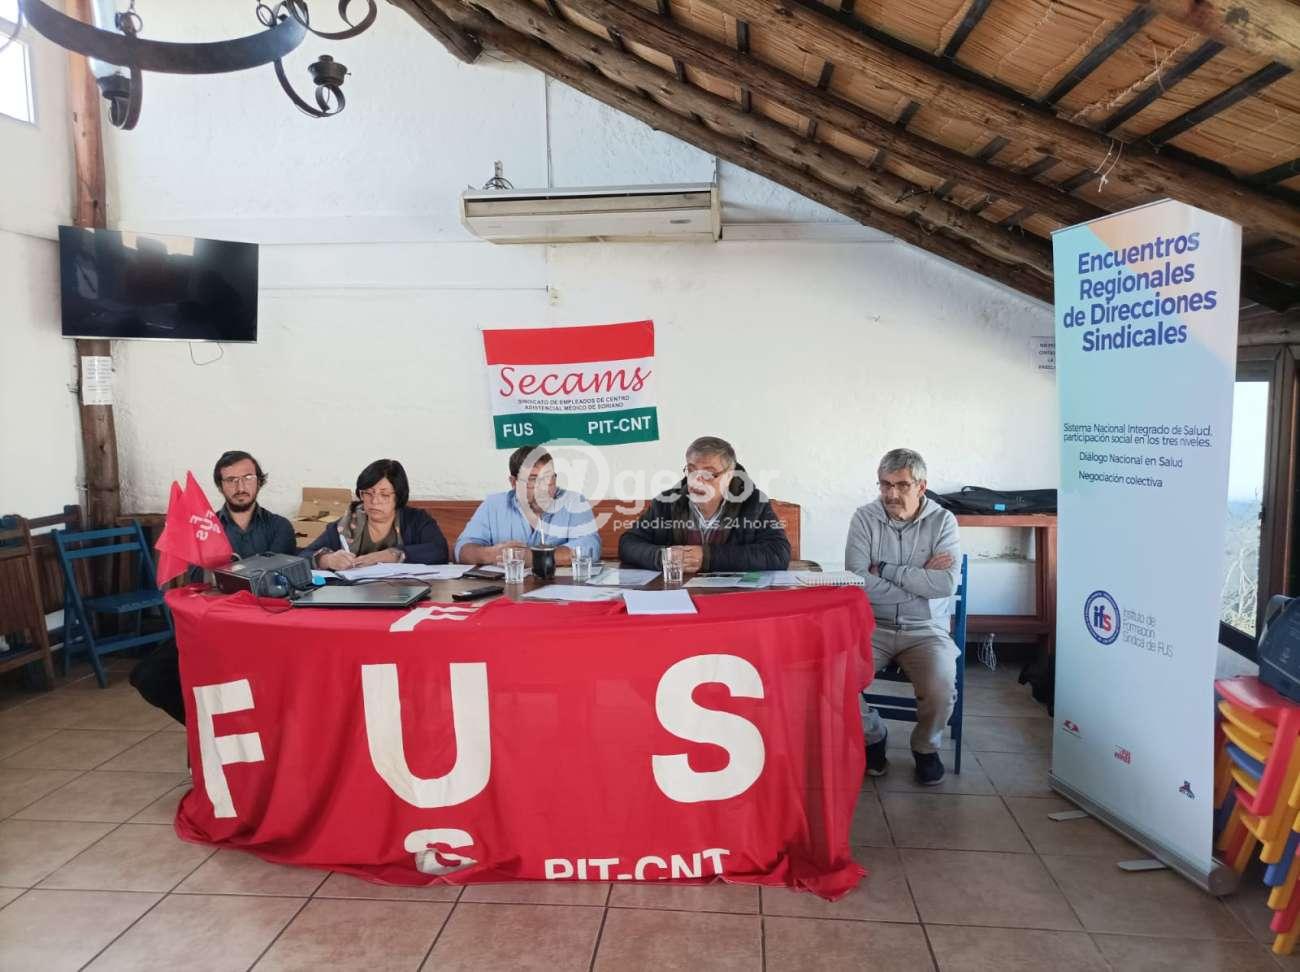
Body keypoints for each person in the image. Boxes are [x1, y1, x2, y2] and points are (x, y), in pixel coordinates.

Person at [130, 449, 297, 725]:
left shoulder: (279, 527)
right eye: (231, 480)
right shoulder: (204, 528)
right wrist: (220, 564)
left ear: (259, 481)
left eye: (247, 478)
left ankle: (249, 732)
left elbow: (275, 577)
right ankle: (208, 730)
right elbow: (198, 581)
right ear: (220, 486)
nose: (240, 486)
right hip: (213, 625)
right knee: (147, 676)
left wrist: (228, 569)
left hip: (264, 628)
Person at [845, 448, 961, 786]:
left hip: (926, 629)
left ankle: (925, 747)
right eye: (885, 484)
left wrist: (885, 569)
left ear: (921, 486)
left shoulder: (943, 521)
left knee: (941, 685)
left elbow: (945, 583)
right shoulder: (864, 518)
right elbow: (857, 579)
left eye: (902, 485)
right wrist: (919, 583)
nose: (891, 494)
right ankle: (873, 736)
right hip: (871, 625)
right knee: (835, 679)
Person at [619, 436, 790, 572]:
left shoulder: (753, 502)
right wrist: (663, 557)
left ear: (729, 476)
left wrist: (708, 557)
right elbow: (628, 544)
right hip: (679, 594)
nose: (697, 480)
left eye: (708, 474)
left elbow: (778, 553)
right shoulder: (667, 502)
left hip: (731, 597)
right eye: (691, 470)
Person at [455, 446, 601, 566]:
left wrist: (534, 557)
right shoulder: (493, 505)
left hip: (559, 588)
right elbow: (462, 549)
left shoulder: (574, 502)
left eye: (548, 478)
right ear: (514, 482)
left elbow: (590, 546)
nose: (543, 487)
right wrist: (491, 554)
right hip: (507, 588)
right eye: (533, 479)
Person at [301, 459, 449, 568]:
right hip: (356, 595)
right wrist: (327, 560)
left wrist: (391, 555)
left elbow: (439, 551)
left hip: (403, 592)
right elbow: (302, 557)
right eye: (368, 493)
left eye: (384, 495)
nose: (374, 501)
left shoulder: (416, 520)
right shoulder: (346, 524)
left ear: (398, 496)